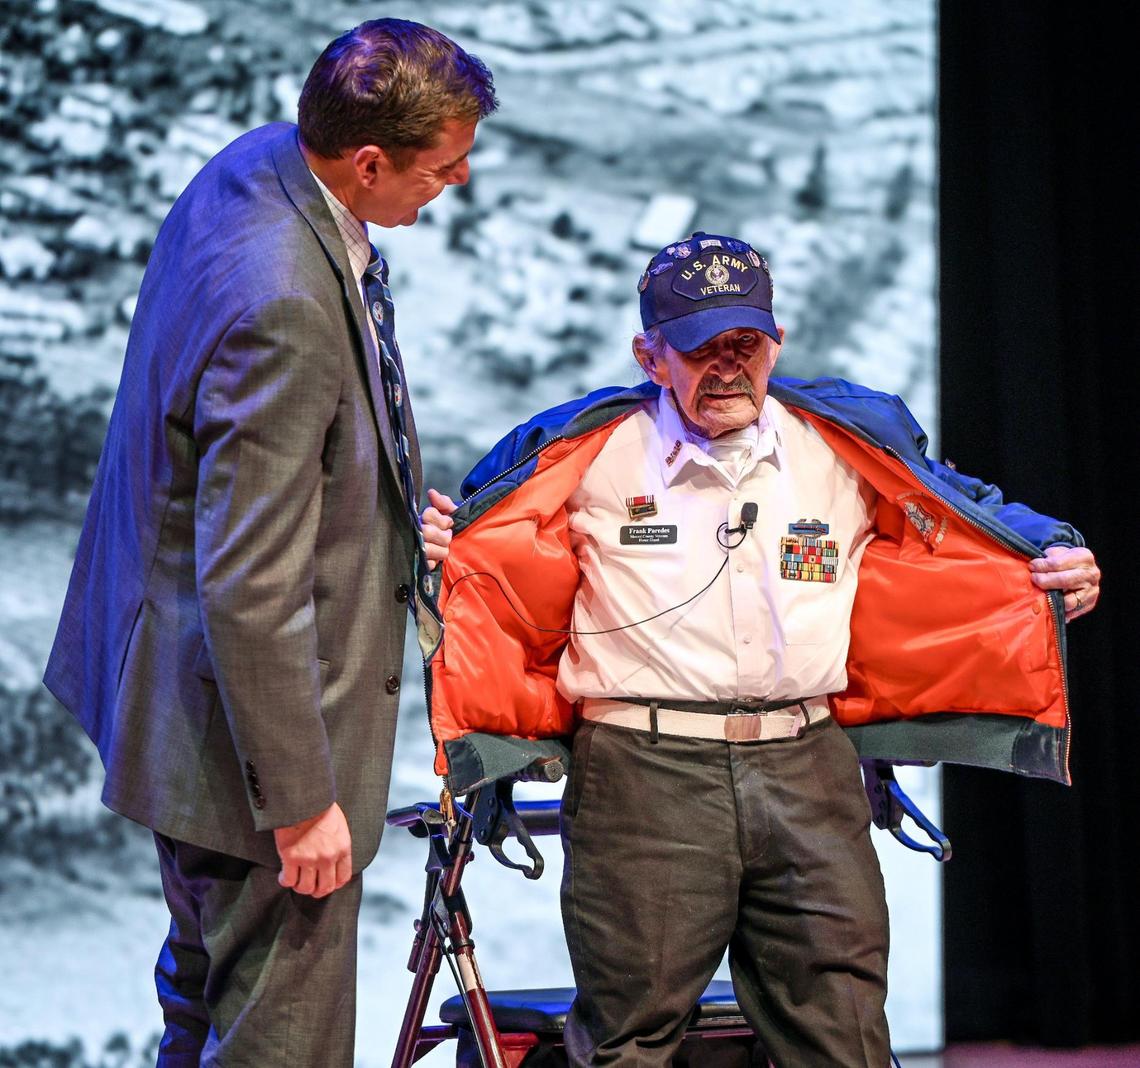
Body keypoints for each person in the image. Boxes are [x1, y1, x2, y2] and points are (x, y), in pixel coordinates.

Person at [419, 231, 1101, 1067]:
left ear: (776, 341)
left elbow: (968, 508)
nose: (727, 366)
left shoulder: (845, 444)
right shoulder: (583, 453)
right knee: (632, 1041)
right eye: (699, 347)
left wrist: (1055, 553)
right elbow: (481, 543)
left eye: (745, 342)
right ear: (649, 354)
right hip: (642, 772)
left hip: (809, 766)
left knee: (843, 1034)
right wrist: (441, 546)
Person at [43, 19, 495, 1066]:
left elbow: (260, 474)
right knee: (279, 1039)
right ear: (369, 160)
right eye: (441, 168)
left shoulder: (262, 162)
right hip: (250, 757)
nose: (457, 183)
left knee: (206, 1005)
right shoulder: (284, 302)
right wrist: (300, 806)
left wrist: (385, 522)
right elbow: (249, 583)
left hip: (181, 710)